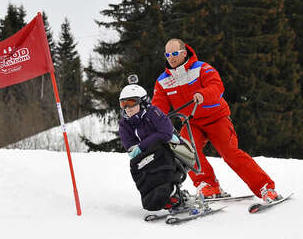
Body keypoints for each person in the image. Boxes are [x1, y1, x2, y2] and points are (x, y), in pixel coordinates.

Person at [151, 38, 282, 203]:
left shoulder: (202, 68)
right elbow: (158, 106)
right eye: (168, 54)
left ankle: (266, 188)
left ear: (184, 53)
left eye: (175, 53)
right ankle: (208, 185)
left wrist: (203, 94)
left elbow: (217, 87)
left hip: (216, 118)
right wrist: (154, 121)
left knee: (230, 153)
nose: (171, 57)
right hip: (192, 122)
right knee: (184, 150)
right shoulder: (163, 81)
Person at [118, 83, 185, 211]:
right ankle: (155, 198)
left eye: (131, 103)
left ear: (142, 102)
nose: (127, 108)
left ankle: (171, 191)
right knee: (137, 165)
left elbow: (166, 133)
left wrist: (142, 145)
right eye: (123, 104)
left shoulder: (153, 112)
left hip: (169, 149)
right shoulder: (125, 123)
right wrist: (139, 148)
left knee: (159, 152)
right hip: (149, 154)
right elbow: (130, 146)